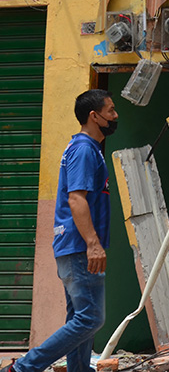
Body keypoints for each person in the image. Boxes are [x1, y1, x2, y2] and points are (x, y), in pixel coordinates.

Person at [4, 90, 118, 372]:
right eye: (111, 111)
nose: (115, 116)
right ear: (94, 116)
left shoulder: (87, 148)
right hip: (79, 247)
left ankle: (80, 369)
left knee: (79, 317)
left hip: (73, 246)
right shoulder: (84, 149)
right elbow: (76, 199)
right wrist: (93, 243)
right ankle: (22, 368)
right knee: (91, 318)